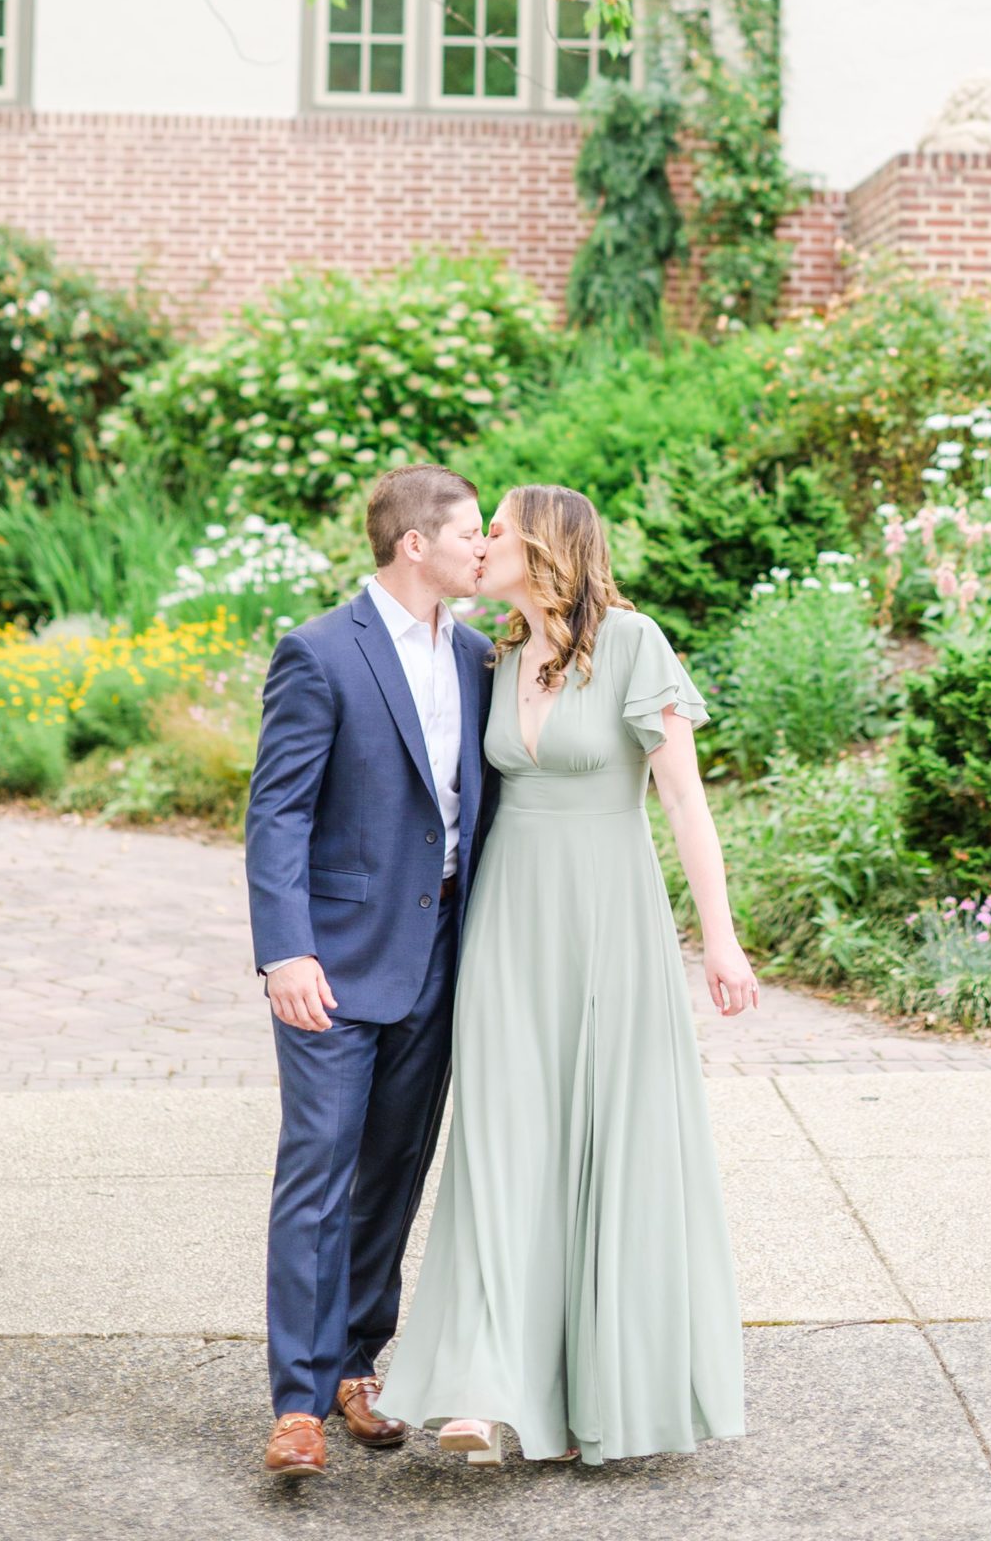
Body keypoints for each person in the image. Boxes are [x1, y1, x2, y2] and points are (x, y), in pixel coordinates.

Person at [379, 482, 756, 1469]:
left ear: (544, 543)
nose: (481, 543)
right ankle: (476, 1383)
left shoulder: (635, 645)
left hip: (610, 927)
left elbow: (684, 805)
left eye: (494, 528)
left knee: (608, 1143)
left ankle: (611, 1387)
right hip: (507, 927)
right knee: (500, 1143)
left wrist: (719, 939)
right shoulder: (492, 654)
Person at [244, 462, 494, 1480]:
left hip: (440, 955)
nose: (485, 546)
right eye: (471, 531)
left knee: (392, 1171)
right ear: (414, 545)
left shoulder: (478, 653)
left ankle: (355, 1361)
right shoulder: (318, 652)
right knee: (318, 1168)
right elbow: (277, 812)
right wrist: (285, 948)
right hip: (334, 966)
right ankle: (297, 1402)